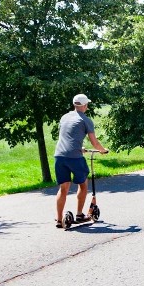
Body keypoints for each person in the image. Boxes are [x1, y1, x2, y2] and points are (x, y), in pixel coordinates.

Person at [54, 94, 108, 228]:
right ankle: (79, 214)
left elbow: (67, 136)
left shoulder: (64, 117)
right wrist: (102, 150)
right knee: (83, 183)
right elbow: (95, 143)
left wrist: (80, 147)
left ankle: (59, 219)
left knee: (63, 188)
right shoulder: (86, 120)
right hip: (75, 158)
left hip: (59, 156)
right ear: (85, 105)